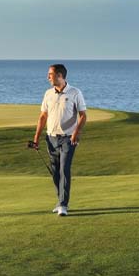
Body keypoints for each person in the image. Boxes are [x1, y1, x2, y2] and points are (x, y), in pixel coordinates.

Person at [30, 64, 87, 217]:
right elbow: (43, 117)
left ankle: (63, 204)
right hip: (51, 138)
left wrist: (76, 133)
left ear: (60, 75)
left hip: (68, 138)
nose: (48, 77)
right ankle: (60, 200)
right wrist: (36, 137)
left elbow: (83, 115)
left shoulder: (75, 92)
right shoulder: (48, 94)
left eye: (51, 74)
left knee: (64, 169)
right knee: (55, 172)